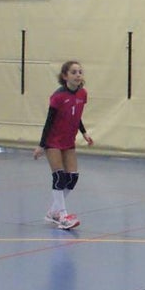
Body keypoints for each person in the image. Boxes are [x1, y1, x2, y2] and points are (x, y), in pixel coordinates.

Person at [33, 61, 92, 230]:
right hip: (53, 141)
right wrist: (41, 145)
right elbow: (49, 122)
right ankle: (63, 216)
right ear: (65, 76)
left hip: (68, 141)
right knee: (59, 177)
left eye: (80, 71)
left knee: (72, 178)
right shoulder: (58, 97)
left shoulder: (83, 94)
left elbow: (76, 114)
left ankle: (53, 212)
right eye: (73, 72)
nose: (78, 75)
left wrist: (84, 132)